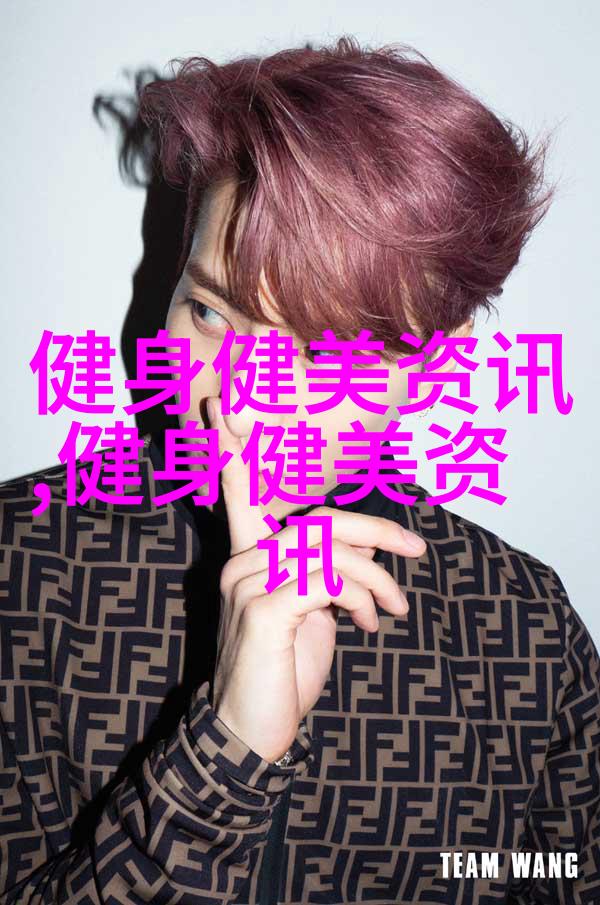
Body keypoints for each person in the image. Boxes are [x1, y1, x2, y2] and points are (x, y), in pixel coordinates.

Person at [0, 35, 598, 905]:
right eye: (209, 311)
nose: (240, 398)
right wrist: (224, 757)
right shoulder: (20, 570)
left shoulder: (524, 627)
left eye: (321, 351)